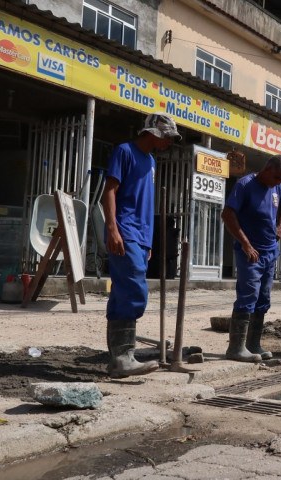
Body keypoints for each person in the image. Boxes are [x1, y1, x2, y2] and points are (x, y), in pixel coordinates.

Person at [103, 112, 181, 378]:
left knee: (123, 291)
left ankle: (119, 359)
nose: (169, 143)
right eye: (167, 137)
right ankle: (123, 357)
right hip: (124, 229)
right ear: (153, 133)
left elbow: (145, 204)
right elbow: (110, 191)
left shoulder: (150, 161)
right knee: (135, 288)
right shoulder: (125, 152)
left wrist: (148, 242)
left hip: (140, 233)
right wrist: (112, 228)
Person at [221, 154, 281, 362]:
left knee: (263, 299)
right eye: (277, 177)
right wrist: (246, 244)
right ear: (267, 168)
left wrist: (280, 225)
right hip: (250, 252)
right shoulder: (245, 185)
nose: (278, 183)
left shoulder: (278, 188)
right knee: (248, 295)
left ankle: (253, 344)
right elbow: (227, 214)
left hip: (270, 252)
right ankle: (236, 347)